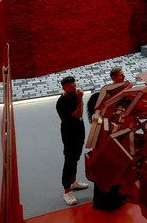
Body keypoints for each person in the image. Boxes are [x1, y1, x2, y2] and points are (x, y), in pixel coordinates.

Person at [87, 67, 127, 211]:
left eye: (123, 75)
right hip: (105, 139)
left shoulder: (112, 95)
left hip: (109, 137)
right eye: (121, 75)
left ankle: (107, 201)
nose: (123, 77)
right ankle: (108, 202)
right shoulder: (104, 97)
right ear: (114, 78)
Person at [56, 76, 88, 206]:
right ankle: (67, 191)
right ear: (64, 88)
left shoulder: (74, 95)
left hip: (79, 130)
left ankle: (73, 182)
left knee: (76, 157)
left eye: (74, 85)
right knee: (69, 160)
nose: (74, 88)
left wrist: (79, 98)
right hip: (69, 133)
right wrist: (80, 98)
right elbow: (79, 114)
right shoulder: (62, 102)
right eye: (70, 87)